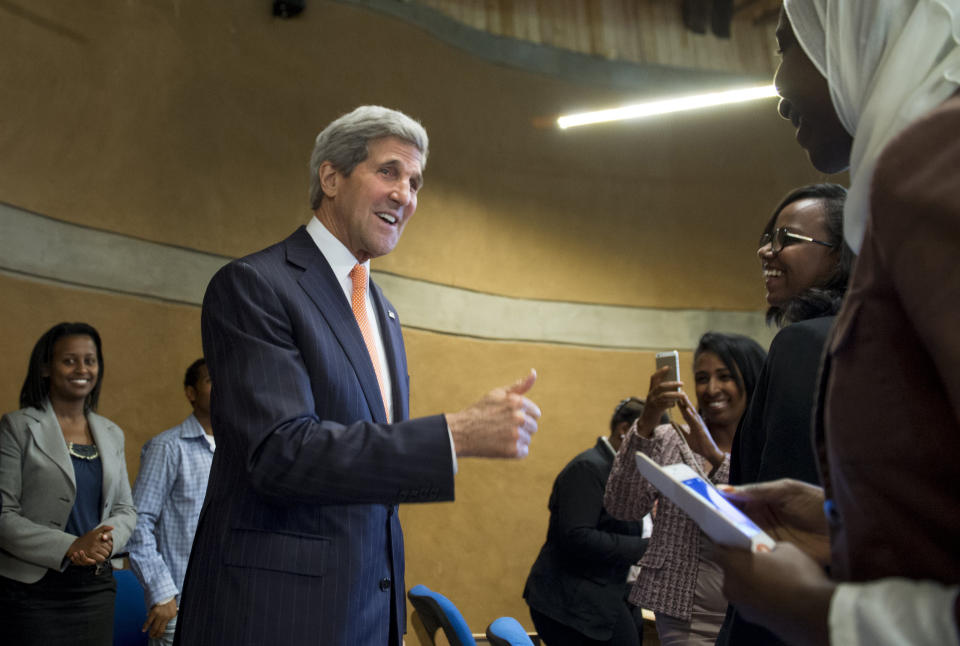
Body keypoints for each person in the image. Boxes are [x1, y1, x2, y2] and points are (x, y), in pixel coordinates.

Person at [174, 105, 541, 646]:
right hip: (274, 618)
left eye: (415, 182)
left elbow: (374, 476)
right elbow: (279, 453)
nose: (406, 195)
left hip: (366, 615)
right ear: (331, 177)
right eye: (389, 171)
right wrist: (453, 436)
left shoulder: (383, 311)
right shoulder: (255, 285)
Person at [712, 2, 960, 645]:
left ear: (862, 30)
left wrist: (825, 616)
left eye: (789, 44)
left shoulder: (934, 167)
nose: (777, 86)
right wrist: (843, 521)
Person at [715, 184, 852, 645]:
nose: (766, 250)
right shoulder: (869, 339)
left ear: (841, 255)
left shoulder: (806, 343)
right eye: (768, 237)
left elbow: (786, 507)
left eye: (786, 238)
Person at [605, 333, 766, 646]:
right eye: (702, 378)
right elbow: (621, 506)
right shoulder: (669, 438)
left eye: (725, 377)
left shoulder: (768, 443)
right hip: (686, 617)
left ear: (751, 378)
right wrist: (648, 421)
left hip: (757, 612)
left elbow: (767, 516)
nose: (711, 389)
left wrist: (716, 459)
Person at [0, 322, 137, 644]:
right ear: (46, 367)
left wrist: (105, 541)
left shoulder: (111, 432)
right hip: (31, 591)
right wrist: (70, 545)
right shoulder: (17, 427)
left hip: (95, 587)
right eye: (69, 360)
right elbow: (3, 514)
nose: (82, 369)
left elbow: (125, 508)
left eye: (90, 360)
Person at [524, 396, 651, 646]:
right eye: (654, 442)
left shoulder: (624, 472)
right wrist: (646, 548)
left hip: (608, 594)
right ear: (624, 430)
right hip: (571, 602)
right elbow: (577, 536)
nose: (658, 452)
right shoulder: (588, 469)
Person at [127, 358, 214, 645]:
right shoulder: (168, 447)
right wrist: (162, 591)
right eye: (211, 381)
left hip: (227, 606)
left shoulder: (238, 451)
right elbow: (137, 523)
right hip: (179, 606)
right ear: (191, 392)